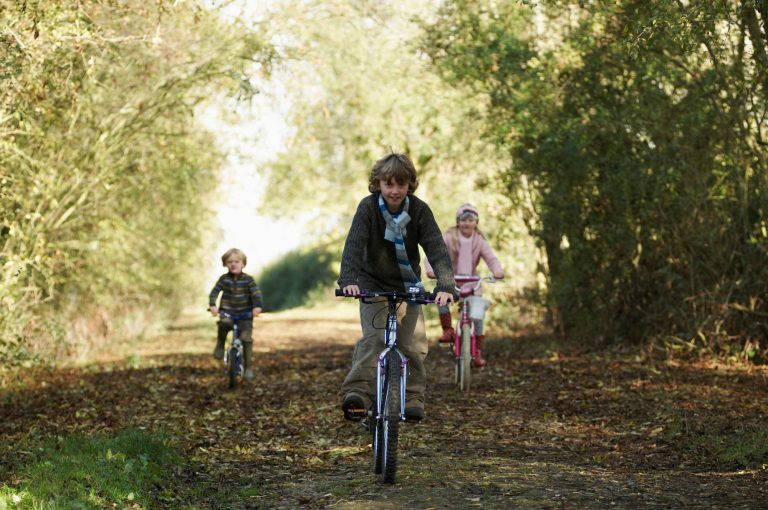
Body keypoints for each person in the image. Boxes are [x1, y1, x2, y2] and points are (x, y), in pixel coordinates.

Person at [338, 152, 455, 423]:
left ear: (409, 185)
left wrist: (445, 284)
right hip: (372, 285)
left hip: (408, 286)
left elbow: (436, 247)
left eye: (400, 185)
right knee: (376, 339)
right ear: (378, 184)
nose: (394, 190)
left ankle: (412, 397)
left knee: (413, 345)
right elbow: (354, 245)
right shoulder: (368, 208)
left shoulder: (419, 210)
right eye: (388, 184)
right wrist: (349, 281)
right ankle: (358, 394)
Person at [425, 203, 504, 367]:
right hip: (451, 281)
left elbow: (491, 258)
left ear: (476, 222)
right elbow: (433, 254)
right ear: (457, 221)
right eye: (463, 220)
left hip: (472, 284)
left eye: (471, 220)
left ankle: (477, 352)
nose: (467, 223)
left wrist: (497, 271)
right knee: (441, 298)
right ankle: (447, 330)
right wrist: (431, 270)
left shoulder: (479, 240)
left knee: (478, 315)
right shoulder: (449, 237)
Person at [208, 248, 263, 380]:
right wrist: (213, 305)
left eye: (236, 261)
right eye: (229, 262)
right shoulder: (224, 279)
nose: (233, 264)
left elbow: (256, 294)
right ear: (225, 264)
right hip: (227, 313)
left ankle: (248, 367)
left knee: (246, 338)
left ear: (243, 263)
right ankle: (220, 344)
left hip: (245, 314)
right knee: (224, 323)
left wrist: (257, 307)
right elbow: (214, 292)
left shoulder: (248, 280)